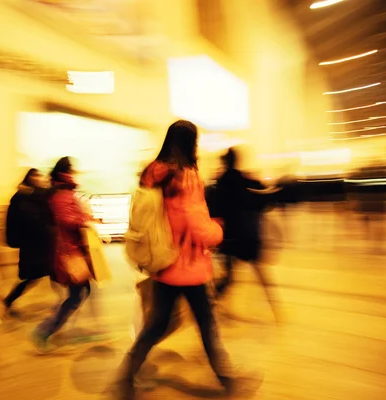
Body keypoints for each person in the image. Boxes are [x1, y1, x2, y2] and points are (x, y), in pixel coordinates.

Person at [114, 120, 237, 398]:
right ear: (189, 143)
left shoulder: (154, 173)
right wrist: (217, 231)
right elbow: (194, 223)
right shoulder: (185, 175)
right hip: (187, 263)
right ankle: (228, 380)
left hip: (163, 260)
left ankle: (125, 376)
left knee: (157, 324)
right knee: (205, 323)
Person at [31, 157, 94, 352]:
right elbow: (67, 219)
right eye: (74, 169)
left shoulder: (64, 191)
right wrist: (85, 220)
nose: (76, 172)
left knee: (82, 291)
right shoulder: (62, 194)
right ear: (66, 172)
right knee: (77, 294)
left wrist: (87, 218)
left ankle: (51, 323)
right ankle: (44, 330)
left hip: (73, 250)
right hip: (69, 252)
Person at [211, 147, 281, 321]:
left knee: (228, 276)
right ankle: (276, 309)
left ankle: (210, 304)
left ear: (225, 162)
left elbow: (214, 208)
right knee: (261, 274)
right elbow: (265, 199)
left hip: (230, 237)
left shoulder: (221, 183)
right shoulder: (247, 180)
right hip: (249, 235)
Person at [3, 168, 57, 315]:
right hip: (32, 244)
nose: (40, 178)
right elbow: (30, 221)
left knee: (50, 272)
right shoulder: (23, 196)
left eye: (40, 174)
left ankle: (62, 301)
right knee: (32, 276)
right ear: (29, 178)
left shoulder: (38, 195)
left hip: (41, 243)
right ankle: (8, 300)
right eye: (36, 175)